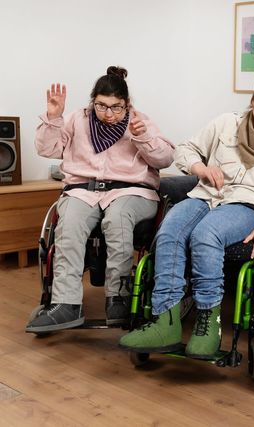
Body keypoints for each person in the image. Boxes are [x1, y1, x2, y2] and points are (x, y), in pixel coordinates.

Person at [119, 76, 254, 360]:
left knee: (205, 234)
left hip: (247, 206)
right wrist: (200, 169)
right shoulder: (226, 124)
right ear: (253, 99)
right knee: (170, 230)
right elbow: (185, 150)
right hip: (206, 195)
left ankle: (208, 324)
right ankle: (165, 322)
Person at [26, 66, 175, 333]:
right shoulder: (76, 119)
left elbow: (165, 159)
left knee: (117, 218)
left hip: (131, 191)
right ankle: (66, 303)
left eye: (116, 107)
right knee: (69, 224)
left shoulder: (139, 121)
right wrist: (54, 117)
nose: (108, 114)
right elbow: (47, 149)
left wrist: (143, 137)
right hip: (83, 190)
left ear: (126, 103)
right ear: (92, 101)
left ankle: (118, 298)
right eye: (101, 106)